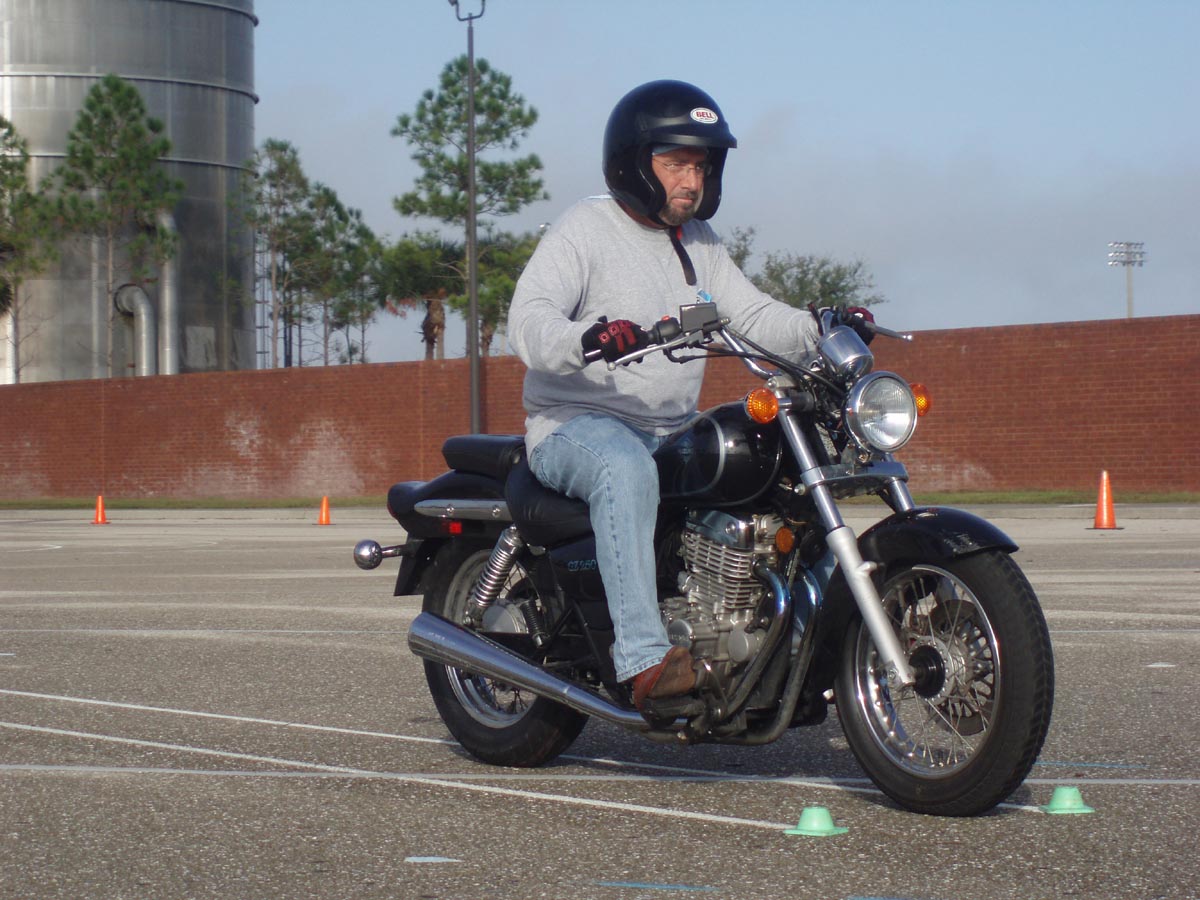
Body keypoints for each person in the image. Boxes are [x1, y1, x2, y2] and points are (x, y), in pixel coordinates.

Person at [507, 80, 870, 711]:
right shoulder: (584, 229)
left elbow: (752, 315)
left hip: (670, 429)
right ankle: (645, 661)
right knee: (624, 469)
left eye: (701, 167)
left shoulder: (700, 241)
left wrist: (822, 327)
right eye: (676, 164)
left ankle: (779, 646)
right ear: (634, 163)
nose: (692, 181)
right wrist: (588, 338)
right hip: (575, 423)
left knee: (767, 467)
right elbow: (529, 319)